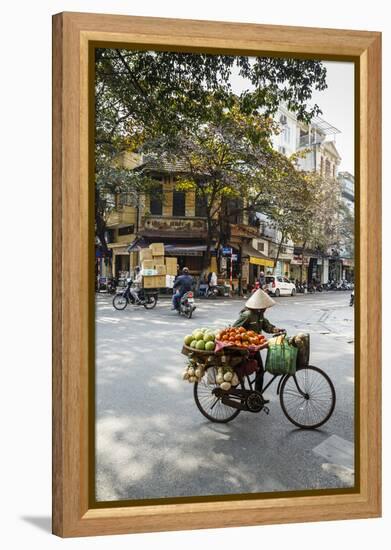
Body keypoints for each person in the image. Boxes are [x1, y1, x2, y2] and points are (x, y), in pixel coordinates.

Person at [232, 288, 284, 394]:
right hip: (245, 349)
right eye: (264, 306)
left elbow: (266, 325)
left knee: (259, 370)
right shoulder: (247, 315)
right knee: (244, 372)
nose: (266, 308)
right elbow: (234, 330)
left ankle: (257, 395)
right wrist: (245, 337)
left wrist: (275, 329)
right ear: (259, 306)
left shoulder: (260, 315)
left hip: (254, 348)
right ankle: (234, 391)